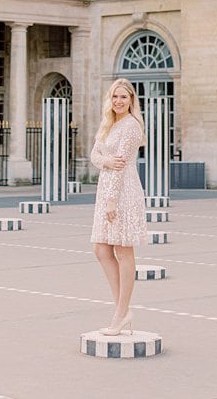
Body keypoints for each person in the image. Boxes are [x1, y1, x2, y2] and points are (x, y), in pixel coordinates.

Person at [89, 78, 146, 336]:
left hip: (122, 192)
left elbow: (121, 164)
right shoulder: (109, 124)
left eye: (123, 97)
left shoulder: (132, 126)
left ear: (131, 100)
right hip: (106, 189)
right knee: (101, 249)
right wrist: (105, 162)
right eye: (115, 97)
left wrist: (112, 200)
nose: (118, 101)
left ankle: (121, 313)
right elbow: (94, 155)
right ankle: (122, 310)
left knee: (123, 251)